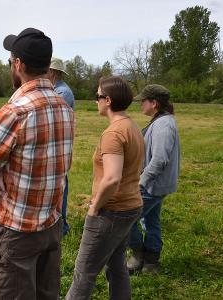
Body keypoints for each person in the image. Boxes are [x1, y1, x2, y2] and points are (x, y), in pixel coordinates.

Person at [0, 28, 74, 299]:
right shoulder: (64, 107)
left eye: (10, 61)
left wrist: (1, 178)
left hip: (17, 229)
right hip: (51, 225)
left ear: (18, 64)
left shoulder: (15, 111)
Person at [66, 76, 144, 300]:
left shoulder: (113, 133)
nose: (95, 101)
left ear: (108, 100)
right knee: (116, 264)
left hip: (111, 211)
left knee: (84, 273)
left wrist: (94, 207)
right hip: (131, 206)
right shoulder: (131, 126)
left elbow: (111, 178)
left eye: (97, 96)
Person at [127, 84, 180, 274]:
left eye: (144, 101)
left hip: (152, 185)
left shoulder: (164, 125)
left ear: (154, 103)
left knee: (128, 219)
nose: (141, 104)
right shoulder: (160, 121)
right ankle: (151, 262)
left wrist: (140, 183)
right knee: (151, 221)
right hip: (155, 185)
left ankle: (138, 254)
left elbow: (159, 160)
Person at [49, 56, 76, 236]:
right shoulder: (55, 90)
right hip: (53, 147)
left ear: (52, 72)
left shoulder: (62, 93)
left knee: (60, 188)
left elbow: (54, 118)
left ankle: (62, 227)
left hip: (58, 148)